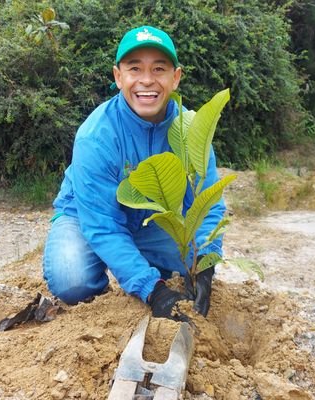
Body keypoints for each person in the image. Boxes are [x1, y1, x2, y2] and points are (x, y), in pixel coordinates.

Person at [43, 25, 226, 319]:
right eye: (134, 68)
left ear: (175, 77)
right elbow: (103, 225)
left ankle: (146, 265)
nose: (146, 81)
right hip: (88, 216)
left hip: (151, 217)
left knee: (189, 264)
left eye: (158, 69)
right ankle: (123, 280)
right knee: (71, 280)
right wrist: (153, 290)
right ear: (118, 77)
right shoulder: (96, 136)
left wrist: (205, 265)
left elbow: (208, 206)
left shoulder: (189, 129)